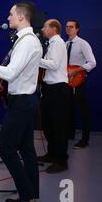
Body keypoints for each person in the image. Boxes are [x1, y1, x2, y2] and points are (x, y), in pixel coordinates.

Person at [0, 2, 42, 202]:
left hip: (22, 103)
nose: (8, 17)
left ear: (22, 17)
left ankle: (27, 199)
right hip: (25, 100)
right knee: (26, 150)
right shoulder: (26, 40)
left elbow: (12, 72)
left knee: (6, 150)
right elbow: (15, 74)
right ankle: (30, 198)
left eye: (11, 13)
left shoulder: (26, 42)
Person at [38, 19, 70, 173]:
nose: (43, 29)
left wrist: (35, 59)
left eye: (45, 27)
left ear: (53, 29)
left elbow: (54, 64)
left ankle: (61, 161)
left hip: (58, 89)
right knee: (48, 124)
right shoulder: (52, 43)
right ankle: (52, 154)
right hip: (50, 89)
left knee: (58, 126)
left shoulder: (57, 43)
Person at [65, 20, 97, 149]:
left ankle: (85, 139)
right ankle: (70, 134)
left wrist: (76, 70)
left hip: (79, 80)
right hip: (67, 81)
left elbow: (92, 63)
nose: (68, 29)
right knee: (68, 109)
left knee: (83, 110)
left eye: (71, 27)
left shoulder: (83, 44)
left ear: (77, 29)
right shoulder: (65, 44)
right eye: (67, 27)